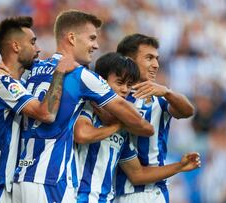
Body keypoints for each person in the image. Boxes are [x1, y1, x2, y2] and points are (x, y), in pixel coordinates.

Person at [12, 10, 154, 203]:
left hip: (21, 177)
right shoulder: (81, 76)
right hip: (51, 179)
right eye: (92, 38)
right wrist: (120, 124)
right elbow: (142, 125)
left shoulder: (33, 70)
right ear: (71, 38)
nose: (96, 45)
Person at [0, 16, 76, 203]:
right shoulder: (3, 82)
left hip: (3, 185)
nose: (37, 49)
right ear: (16, 46)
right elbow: (46, 113)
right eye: (32, 42)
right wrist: (60, 72)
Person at [74, 52, 200, 203]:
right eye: (119, 83)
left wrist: (180, 166)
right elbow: (81, 134)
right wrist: (119, 125)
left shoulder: (123, 128)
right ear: (101, 81)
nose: (125, 90)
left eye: (128, 85)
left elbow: (137, 174)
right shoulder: (87, 106)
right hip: (74, 196)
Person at [114, 34, 195, 203]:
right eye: (149, 58)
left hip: (149, 193)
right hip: (113, 193)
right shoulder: (112, 97)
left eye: (157, 59)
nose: (156, 65)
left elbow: (187, 111)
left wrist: (167, 92)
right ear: (129, 60)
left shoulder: (160, 98)